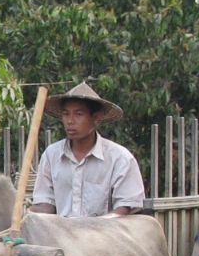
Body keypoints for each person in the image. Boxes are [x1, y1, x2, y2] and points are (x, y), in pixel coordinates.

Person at [29, 81, 145, 217]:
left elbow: (125, 208)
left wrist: (93, 227)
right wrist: (24, 213)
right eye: (66, 114)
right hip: (61, 234)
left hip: (104, 234)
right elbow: (45, 205)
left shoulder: (120, 158)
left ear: (96, 118)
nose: (70, 121)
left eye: (78, 114)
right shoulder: (51, 155)